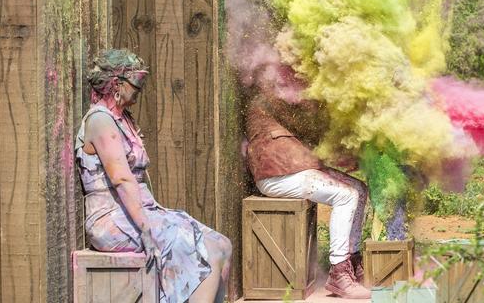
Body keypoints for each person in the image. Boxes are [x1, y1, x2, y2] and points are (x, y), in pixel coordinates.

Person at [76, 49, 231, 303]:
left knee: (222, 244)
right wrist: (146, 230)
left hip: (138, 211)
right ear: (117, 84)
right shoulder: (100, 121)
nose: (140, 89)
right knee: (205, 253)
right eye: (136, 83)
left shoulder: (122, 118)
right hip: (112, 219)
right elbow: (121, 180)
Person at [245, 93, 371, 299]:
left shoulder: (282, 90)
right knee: (346, 195)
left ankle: (352, 261)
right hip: (276, 175)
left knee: (358, 189)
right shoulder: (274, 92)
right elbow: (312, 122)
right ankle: (339, 273)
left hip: (294, 168)